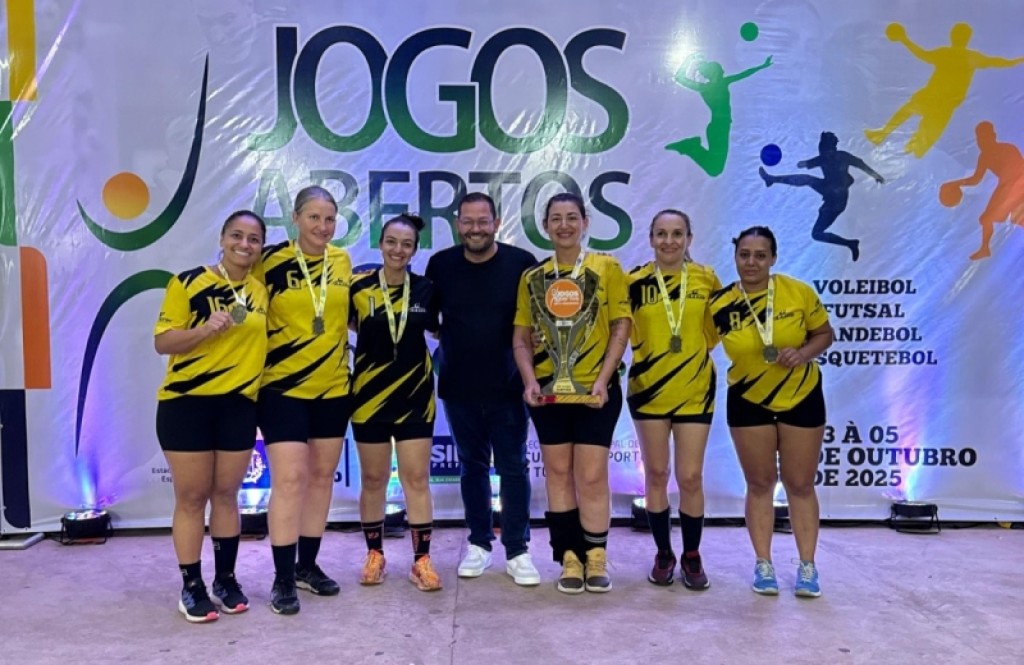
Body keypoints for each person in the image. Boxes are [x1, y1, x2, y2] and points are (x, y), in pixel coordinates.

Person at [512, 193, 631, 594]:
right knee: (559, 474)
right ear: (545, 226)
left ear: (585, 222)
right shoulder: (533, 277)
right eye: (556, 219)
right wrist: (529, 380)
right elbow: (521, 337)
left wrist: (603, 378)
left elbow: (621, 326)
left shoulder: (607, 268)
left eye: (572, 217)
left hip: (597, 393)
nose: (564, 225)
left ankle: (595, 554)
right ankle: (569, 557)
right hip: (549, 394)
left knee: (592, 475)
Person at [154, 210, 268, 622]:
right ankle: (191, 586)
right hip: (187, 404)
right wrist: (204, 329)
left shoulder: (260, 291)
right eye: (236, 235)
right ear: (221, 239)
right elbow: (163, 342)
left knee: (225, 495)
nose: (244, 244)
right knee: (191, 497)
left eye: (253, 239)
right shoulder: (187, 282)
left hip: (237, 406)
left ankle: (225, 580)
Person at [708, 226, 834, 598]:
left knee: (800, 484)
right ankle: (763, 564)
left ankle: (807, 566)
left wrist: (804, 353)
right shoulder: (719, 304)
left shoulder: (798, 292)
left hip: (801, 397)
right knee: (760, 484)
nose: (752, 262)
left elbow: (824, 334)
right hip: (748, 399)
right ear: (735, 257)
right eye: (744, 254)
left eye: (760, 255)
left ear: (773, 258)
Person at [425, 193, 540, 586]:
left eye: (483, 221)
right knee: (471, 466)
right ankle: (478, 543)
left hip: (509, 385)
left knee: (513, 467)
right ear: (458, 224)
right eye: (468, 222)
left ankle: (518, 549)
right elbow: (432, 321)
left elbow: (536, 322)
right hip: (458, 385)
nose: (476, 229)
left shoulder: (522, 263)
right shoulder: (441, 264)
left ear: (496, 223)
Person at [255, 186, 352, 615]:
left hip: (333, 388)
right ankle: (281, 579)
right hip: (282, 388)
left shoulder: (342, 261)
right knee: (290, 480)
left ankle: (306, 566)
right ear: (295, 218)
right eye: (314, 217)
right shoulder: (269, 261)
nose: (322, 227)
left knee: (321, 478)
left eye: (329, 219)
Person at [626, 210, 721, 589]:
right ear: (651, 239)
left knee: (691, 476)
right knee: (657, 474)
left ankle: (692, 555)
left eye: (677, 234)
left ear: (689, 239)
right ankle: (664, 552)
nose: (669, 241)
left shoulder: (706, 278)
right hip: (648, 388)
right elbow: (621, 330)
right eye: (661, 234)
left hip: (695, 389)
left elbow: (712, 333)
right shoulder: (634, 281)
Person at [349, 214, 442, 592]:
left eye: (406, 244)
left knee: (416, 479)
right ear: (380, 243)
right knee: (373, 479)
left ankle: (421, 561)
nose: (398, 250)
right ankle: (375, 554)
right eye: (391, 241)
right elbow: (349, 325)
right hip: (368, 397)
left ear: (415, 250)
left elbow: (440, 328)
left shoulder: (427, 288)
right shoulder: (357, 287)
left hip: (415, 395)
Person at [864, 22, 1024, 158]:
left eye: (959, 35)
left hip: (941, 100)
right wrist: (905, 40)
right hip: (939, 99)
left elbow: (922, 54)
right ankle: (885, 136)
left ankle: (890, 139)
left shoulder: (959, 55)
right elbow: (1000, 62)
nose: (958, 37)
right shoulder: (963, 55)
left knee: (915, 122)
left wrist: (905, 40)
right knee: (914, 120)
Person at [758, 131, 884, 262]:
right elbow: (803, 164)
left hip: (837, 199)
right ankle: (771, 179)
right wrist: (804, 162)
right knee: (807, 181)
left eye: (825, 149)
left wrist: (876, 176)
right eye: (823, 149)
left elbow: (860, 163)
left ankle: (850, 243)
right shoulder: (827, 157)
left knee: (816, 233)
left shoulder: (836, 156)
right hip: (830, 192)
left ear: (830, 147)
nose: (825, 153)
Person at [939, 121, 1024, 260]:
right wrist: (956, 183)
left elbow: (1018, 171)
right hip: (1006, 188)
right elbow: (976, 179)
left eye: (985, 138)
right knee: (987, 219)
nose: (981, 142)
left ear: (993, 136)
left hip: (1016, 186)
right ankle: (985, 248)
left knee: (1014, 216)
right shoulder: (984, 157)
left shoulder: (1008, 149)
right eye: (979, 139)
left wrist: (1009, 198)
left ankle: (986, 247)